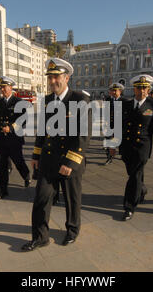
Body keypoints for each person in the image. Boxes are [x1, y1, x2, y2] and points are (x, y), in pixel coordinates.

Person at [21, 57, 91, 251]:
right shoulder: (47, 101)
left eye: (56, 77)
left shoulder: (80, 99)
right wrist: (35, 156)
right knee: (41, 199)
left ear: (67, 78)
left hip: (70, 161)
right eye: (50, 77)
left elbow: (83, 136)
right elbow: (42, 131)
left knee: (72, 199)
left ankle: (72, 230)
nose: (53, 81)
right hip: (49, 160)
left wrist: (70, 162)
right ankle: (40, 236)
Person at [110, 74, 153, 221]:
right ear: (134, 88)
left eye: (145, 88)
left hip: (143, 146)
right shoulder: (125, 105)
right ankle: (142, 189)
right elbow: (117, 126)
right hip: (127, 146)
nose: (142, 91)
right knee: (133, 173)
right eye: (139, 88)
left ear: (149, 89)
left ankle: (129, 206)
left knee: (134, 176)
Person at [0, 76, 31, 200]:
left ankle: (26, 176)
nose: (2, 90)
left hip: (14, 138)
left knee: (18, 161)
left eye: (4, 87)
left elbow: (24, 119)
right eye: (1, 87)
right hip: (2, 139)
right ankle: (2, 190)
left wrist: (11, 128)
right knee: (1, 165)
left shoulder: (18, 101)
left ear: (11, 87)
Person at [103, 82, 127, 165]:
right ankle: (109, 158)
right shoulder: (108, 100)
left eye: (115, 90)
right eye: (111, 90)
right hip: (109, 126)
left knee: (121, 143)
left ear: (120, 91)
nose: (113, 92)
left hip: (120, 126)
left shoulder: (124, 101)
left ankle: (123, 154)